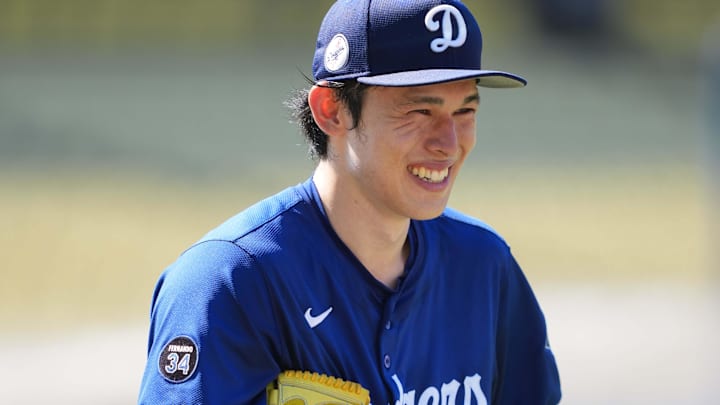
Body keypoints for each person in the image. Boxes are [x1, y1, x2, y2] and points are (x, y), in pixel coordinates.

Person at [138, 1, 561, 404]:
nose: (448, 144)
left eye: (465, 111)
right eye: (419, 112)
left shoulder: (484, 264)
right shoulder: (228, 282)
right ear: (331, 111)